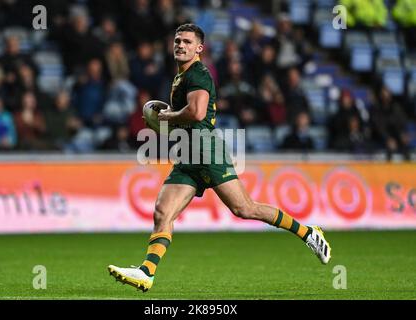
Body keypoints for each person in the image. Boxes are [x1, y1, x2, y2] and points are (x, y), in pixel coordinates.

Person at [108, 24, 332, 292]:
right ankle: (147, 272)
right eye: (177, 41)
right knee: (162, 211)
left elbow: (198, 112)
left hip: (206, 151)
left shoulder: (198, 74)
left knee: (245, 208)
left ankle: (308, 233)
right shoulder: (181, 76)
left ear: (199, 48)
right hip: (188, 154)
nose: (180, 45)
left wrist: (169, 117)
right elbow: (188, 116)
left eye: (187, 42)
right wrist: (172, 122)